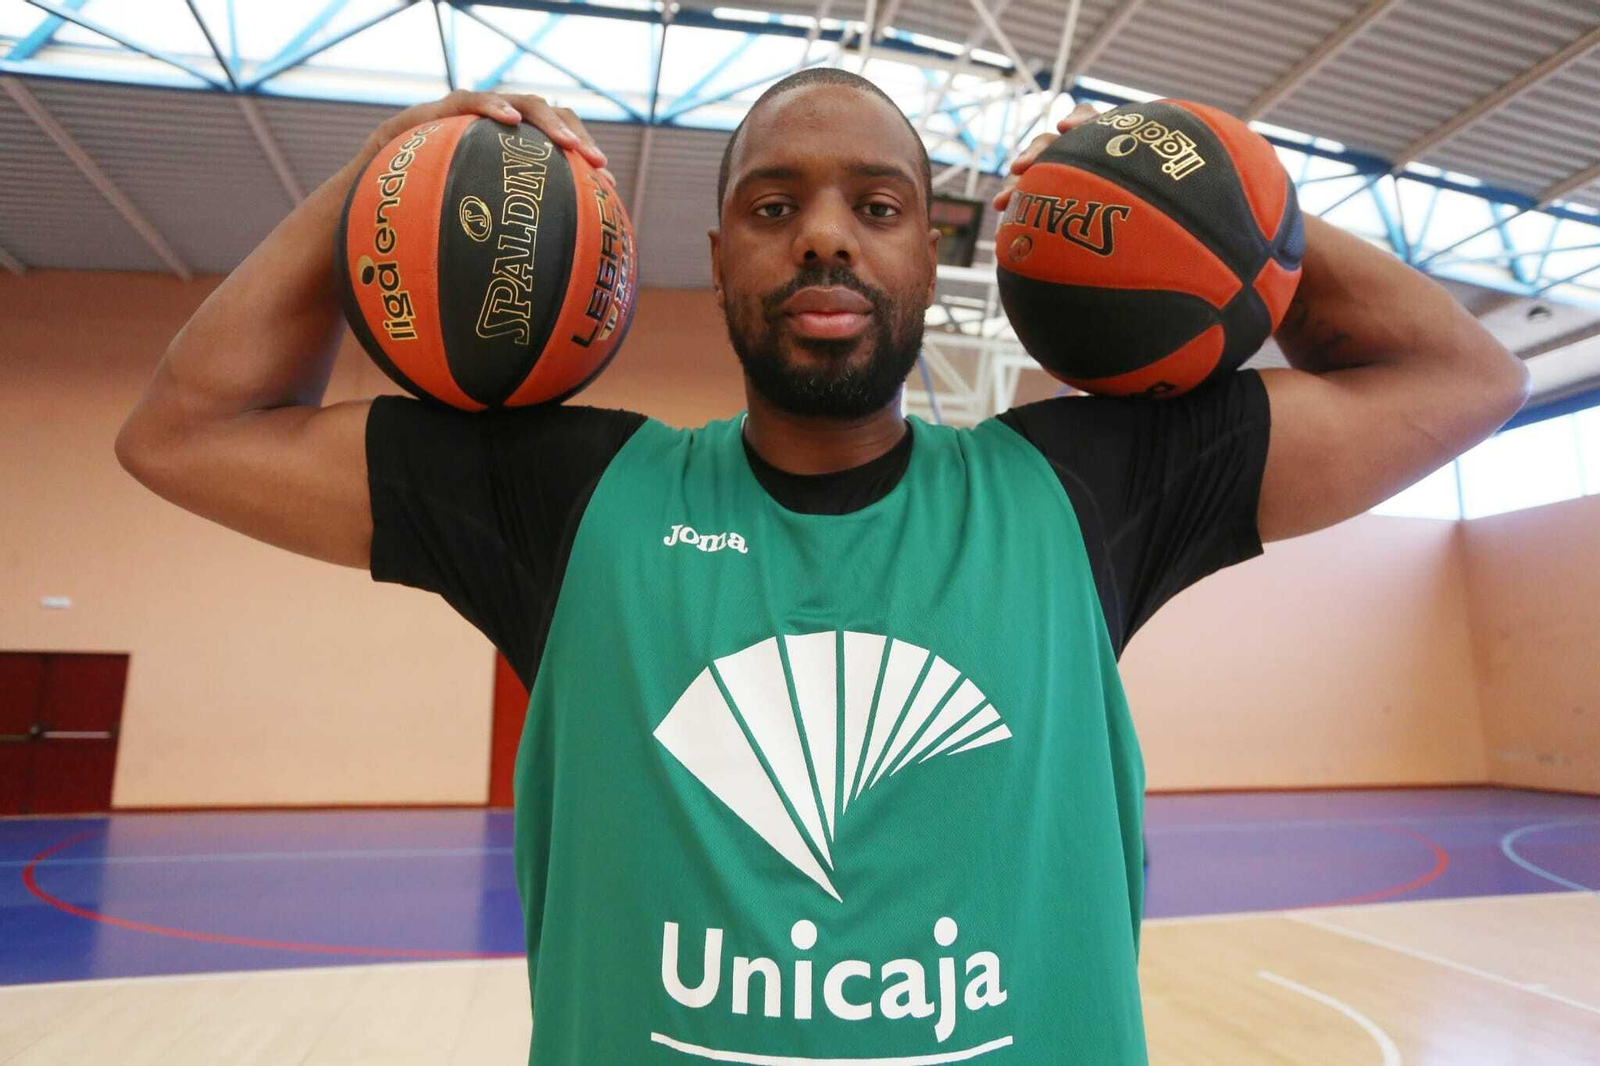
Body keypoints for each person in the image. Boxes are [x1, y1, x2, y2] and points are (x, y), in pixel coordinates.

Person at [115, 70, 1527, 1064]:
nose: (829, 234)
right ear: (717, 252)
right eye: (777, 205)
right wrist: (386, 171)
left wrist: (1208, 195)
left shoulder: (1088, 483)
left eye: (881, 203)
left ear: (938, 253)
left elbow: (1461, 377)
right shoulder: (569, 491)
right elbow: (187, 432)